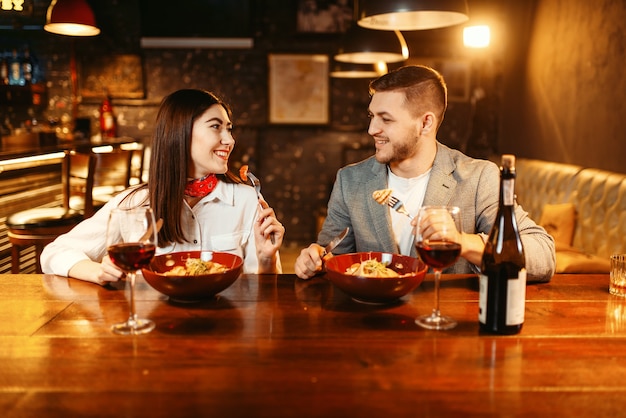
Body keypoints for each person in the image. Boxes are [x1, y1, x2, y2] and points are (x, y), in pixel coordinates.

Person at [294, 65, 555, 282]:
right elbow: (332, 258)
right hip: (371, 328)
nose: (372, 128)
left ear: (425, 123)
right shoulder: (349, 181)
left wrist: (462, 242)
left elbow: (543, 256)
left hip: (448, 331)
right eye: (372, 116)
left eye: (386, 119)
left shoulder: (479, 178)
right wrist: (315, 261)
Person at [41, 89, 285, 285]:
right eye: (216, 127)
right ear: (180, 133)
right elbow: (55, 252)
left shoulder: (246, 200)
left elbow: (263, 292)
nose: (229, 140)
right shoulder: (133, 204)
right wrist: (97, 272)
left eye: (229, 129)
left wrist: (266, 258)